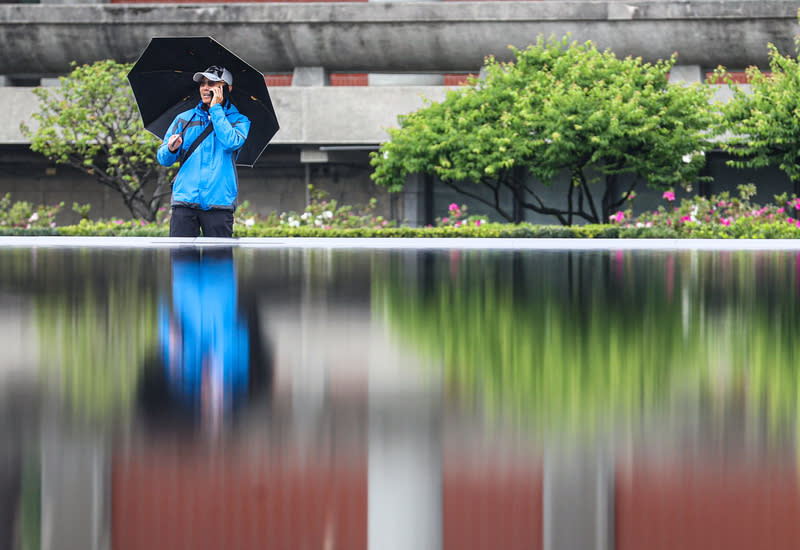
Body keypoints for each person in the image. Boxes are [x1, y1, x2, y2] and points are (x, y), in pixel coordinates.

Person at [157, 65, 251, 238]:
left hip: (219, 203)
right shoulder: (184, 119)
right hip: (184, 202)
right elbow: (163, 158)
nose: (205, 88)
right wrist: (170, 149)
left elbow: (231, 142)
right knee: (182, 263)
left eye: (212, 83)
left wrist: (216, 110)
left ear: (226, 88)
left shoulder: (240, 121)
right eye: (202, 84)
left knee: (218, 263)